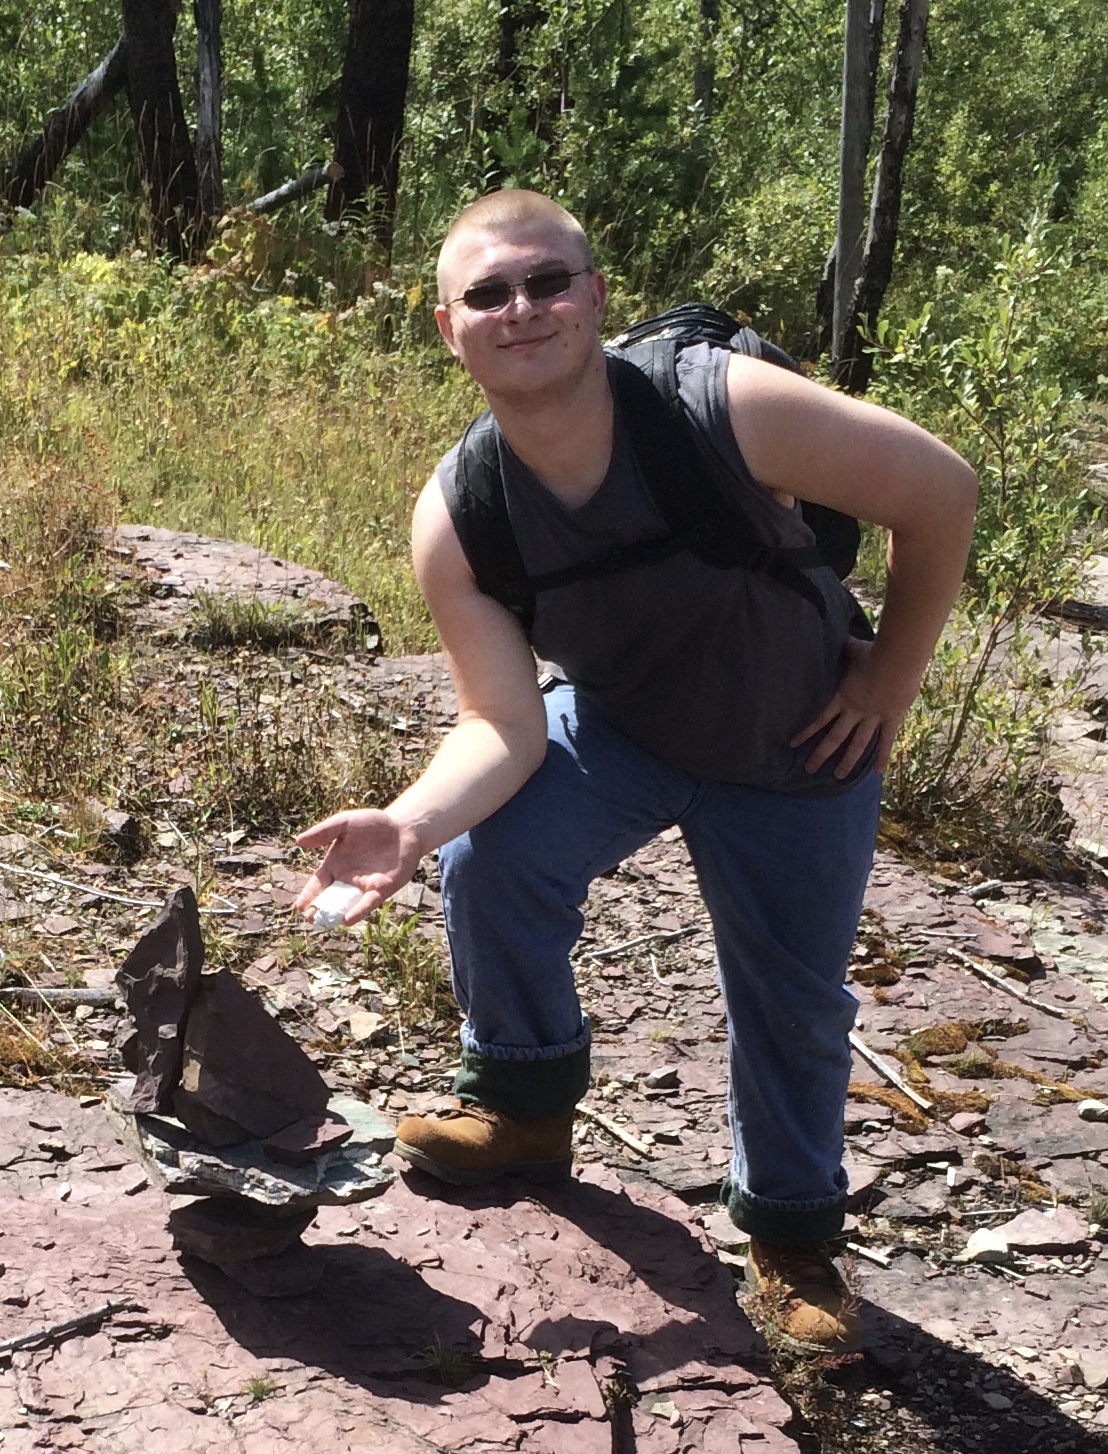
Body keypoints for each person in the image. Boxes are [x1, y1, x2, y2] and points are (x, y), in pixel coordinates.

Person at [295, 189, 977, 1352]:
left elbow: (940, 489)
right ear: (451, 329)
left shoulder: (723, 405)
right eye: (489, 293)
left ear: (596, 296)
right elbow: (500, 725)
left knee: (794, 998)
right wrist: (408, 825)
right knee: (492, 852)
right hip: (623, 729)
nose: (524, 307)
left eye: (549, 280)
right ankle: (521, 1103)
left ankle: (793, 1234)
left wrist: (887, 683)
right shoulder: (461, 515)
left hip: (798, 740)